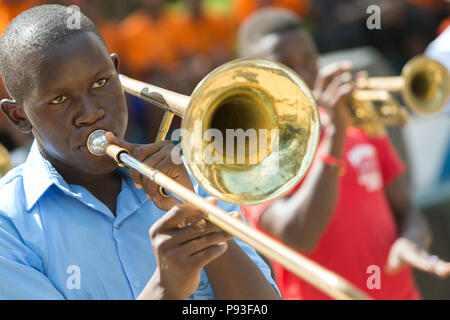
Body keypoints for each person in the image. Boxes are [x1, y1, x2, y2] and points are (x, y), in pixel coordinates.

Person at [0, 4, 280, 300]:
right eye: (59, 99)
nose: (91, 112)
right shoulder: (9, 225)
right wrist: (164, 289)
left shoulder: (190, 180)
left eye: (101, 82)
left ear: (117, 73)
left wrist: (198, 216)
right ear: (19, 116)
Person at [238, 8, 450, 300]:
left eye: (308, 59)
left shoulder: (359, 122)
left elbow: (406, 210)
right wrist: (335, 136)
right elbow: (301, 235)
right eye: (285, 65)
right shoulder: (252, 157)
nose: (303, 74)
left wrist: (411, 240)